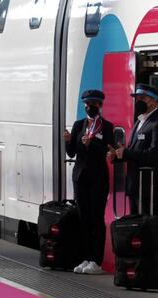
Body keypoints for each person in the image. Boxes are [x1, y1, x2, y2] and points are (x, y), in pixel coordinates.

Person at [64, 89, 114, 274]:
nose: (90, 107)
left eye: (94, 104)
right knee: (83, 218)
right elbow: (71, 153)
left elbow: (107, 150)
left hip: (98, 178)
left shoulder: (107, 127)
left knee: (96, 218)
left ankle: (96, 261)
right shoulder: (79, 125)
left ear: (100, 105)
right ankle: (85, 258)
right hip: (80, 177)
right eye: (87, 104)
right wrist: (68, 141)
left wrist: (90, 143)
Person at [108, 83, 158, 215]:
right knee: (135, 226)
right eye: (138, 98)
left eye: (143, 98)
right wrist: (118, 156)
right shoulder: (139, 121)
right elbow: (131, 151)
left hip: (147, 187)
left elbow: (154, 155)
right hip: (134, 185)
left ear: (154, 101)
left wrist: (126, 153)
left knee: (145, 226)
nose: (138, 101)